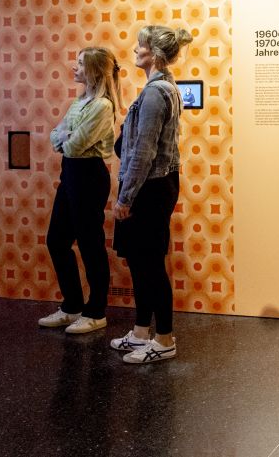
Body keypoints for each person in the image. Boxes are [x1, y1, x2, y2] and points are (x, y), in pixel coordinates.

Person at [109, 25, 193, 364]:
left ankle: (164, 338)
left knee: (150, 265)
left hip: (150, 187)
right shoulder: (161, 88)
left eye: (140, 45)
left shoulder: (157, 92)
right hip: (153, 184)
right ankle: (142, 330)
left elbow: (144, 151)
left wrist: (126, 197)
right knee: (141, 263)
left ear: (154, 54)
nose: (134, 49)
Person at [39, 47, 122, 334]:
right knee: (56, 241)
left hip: (88, 176)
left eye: (80, 63)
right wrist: (65, 136)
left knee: (90, 245)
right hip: (70, 174)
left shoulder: (102, 106)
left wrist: (65, 137)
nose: (74, 67)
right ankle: (72, 305)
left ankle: (96, 311)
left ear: (94, 70)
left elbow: (73, 145)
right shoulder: (80, 101)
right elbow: (55, 136)